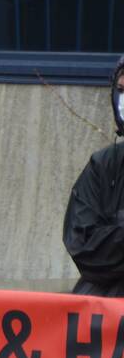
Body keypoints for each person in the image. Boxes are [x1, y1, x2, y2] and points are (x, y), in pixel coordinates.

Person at [63, 55, 124, 296]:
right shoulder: (104, 164)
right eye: (120, 90)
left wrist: (113, 229)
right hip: (101, 323)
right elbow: (83, 247)